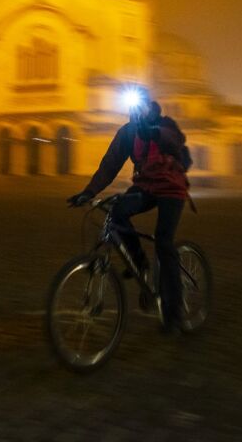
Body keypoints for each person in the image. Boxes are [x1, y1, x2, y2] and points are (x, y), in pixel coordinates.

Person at [67, 88, 191, 332]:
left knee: (164, 243)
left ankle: (174, 313)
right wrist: (89, 192)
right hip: (145, 186)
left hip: (171, 189)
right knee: (116, 212)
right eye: (133, 106)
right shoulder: (128, 132)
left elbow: (176, 142)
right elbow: (110, 163)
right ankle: (140, 262)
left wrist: (154, 132)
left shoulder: (165, 124)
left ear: (149, 105)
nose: (138, 110)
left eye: (142, 105)